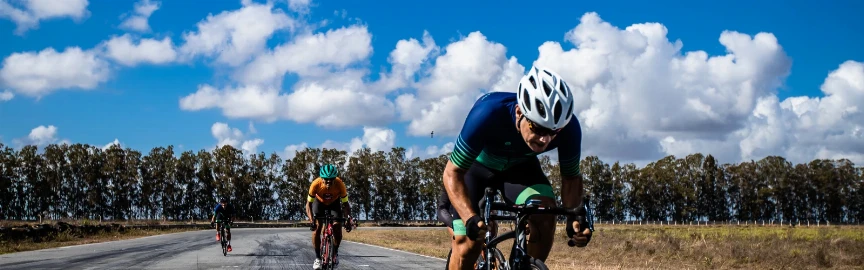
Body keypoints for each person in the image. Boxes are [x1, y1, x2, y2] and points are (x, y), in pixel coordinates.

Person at [442, 66, 593, 270]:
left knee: (545, 215)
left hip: (520, 168)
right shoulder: (487, 113)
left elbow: (571, 178)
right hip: (475, 168)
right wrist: (469, 217)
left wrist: (573, 218)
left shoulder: (570, 128)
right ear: (519, 112)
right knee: (467, 244)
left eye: (553, 132)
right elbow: (453, 172)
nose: (545, 140)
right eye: (538, 128)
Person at [306, 164, 354, 270]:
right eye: (326, 180)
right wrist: (311, 220)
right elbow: (308, 204)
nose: (328, 182)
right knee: (317, 228)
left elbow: (346, 205)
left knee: (337, 227)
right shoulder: (315, 184)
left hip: (334, 203)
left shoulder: (340, 184)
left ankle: (335, 253)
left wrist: (348, 219)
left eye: (331, 180)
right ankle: (318, 258)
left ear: (334, 179)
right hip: (319, 203)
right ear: (321, 178)